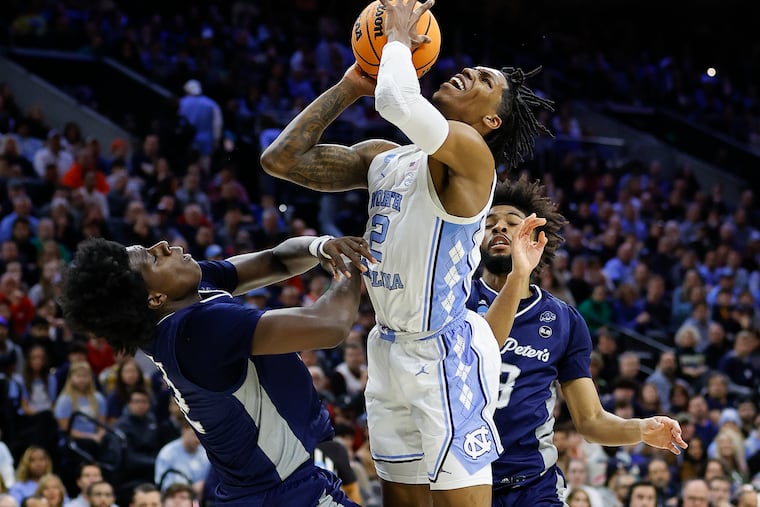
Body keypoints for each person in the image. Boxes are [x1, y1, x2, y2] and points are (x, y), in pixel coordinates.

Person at [261, 0, 554, 504]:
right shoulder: (386, 157)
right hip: (389, 348)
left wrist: (396, 34)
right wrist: (353, 83)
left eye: (483, 80)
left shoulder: (473, 160)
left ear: (490, 121)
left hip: (446, 356)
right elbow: (283, 159)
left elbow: (397, 100)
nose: (466, 71)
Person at [60, 234, 373, 506]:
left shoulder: (183, 296)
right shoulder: (195, 333)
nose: (164, 245)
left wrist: (323, 246)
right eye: (154, 258)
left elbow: (276, 259)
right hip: (281, 493)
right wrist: (350, 265)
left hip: (272, 487)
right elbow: (330, 325)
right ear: (155, 298)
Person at [464, 176, 688, 506]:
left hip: (532, 483)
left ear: (536, 240)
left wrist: (640, 429)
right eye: (489, 224)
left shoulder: (564, 320)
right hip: (462, 476)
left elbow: (591, 421)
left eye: (512, 224)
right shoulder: (455, 299)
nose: (498, 229)